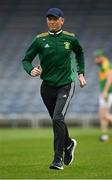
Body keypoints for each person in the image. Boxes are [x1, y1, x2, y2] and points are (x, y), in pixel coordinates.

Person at [22, 8, 86, 170]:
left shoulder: (70, 38)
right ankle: (69, 143)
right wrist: (31, 70)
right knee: (57, 120)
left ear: (62, 21)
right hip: (47, 87)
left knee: (57, 118)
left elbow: (79, 53)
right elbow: (26, 59)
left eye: (55, 19)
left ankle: (57, 159)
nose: (52, 22)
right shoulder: (39, 40)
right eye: (49, 19)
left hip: (65, 84)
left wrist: (81, 73)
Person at [94, 49, 112, 142]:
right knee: (102, 115)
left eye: (97, 57)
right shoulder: (104, 65)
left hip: (108, 93)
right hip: (108, 92)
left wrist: (105, 92)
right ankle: (105, 136)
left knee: (104, 114)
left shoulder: (107, 65)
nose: (96, 60)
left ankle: (105, 134)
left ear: (102, 57)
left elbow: (110, 79)